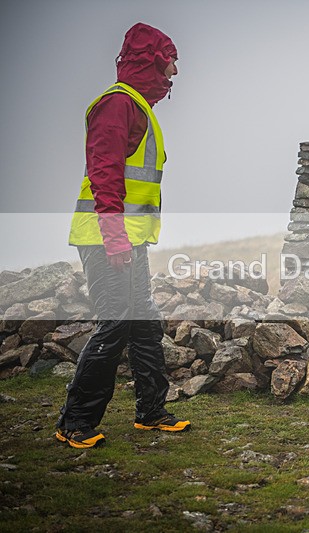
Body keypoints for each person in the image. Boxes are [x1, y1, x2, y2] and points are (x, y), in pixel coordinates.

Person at [56, 23, 190, 449]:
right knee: (114, 325)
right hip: (106, 238)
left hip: (128, 239)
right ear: (151, 60)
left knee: (144, 324)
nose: (175, 73)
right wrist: (114, 239)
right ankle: (75, 423)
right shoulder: (118, 105)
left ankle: (151, 413)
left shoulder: (138, 109)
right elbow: (105, 173)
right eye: (170, 61)